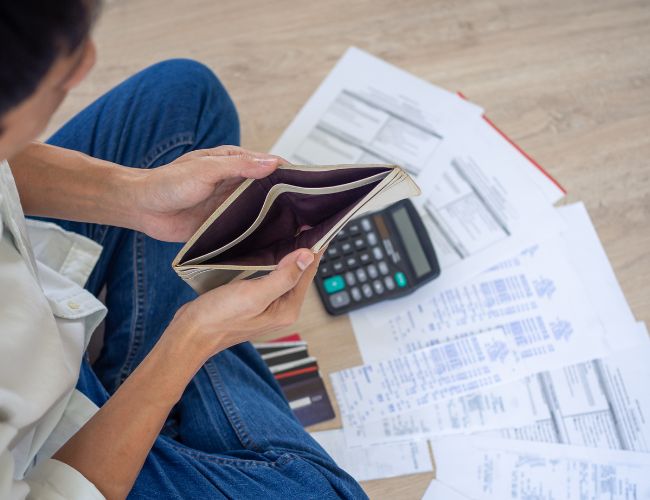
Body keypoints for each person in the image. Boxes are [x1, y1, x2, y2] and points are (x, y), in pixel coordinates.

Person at [0, 1, 367, 498]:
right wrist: (192, 337)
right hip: (42, 457)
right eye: (67, 68)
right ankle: (152, 384)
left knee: (185, 98)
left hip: (35, 317)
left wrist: (138, 196)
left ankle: (146, 383)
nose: (88, 61)